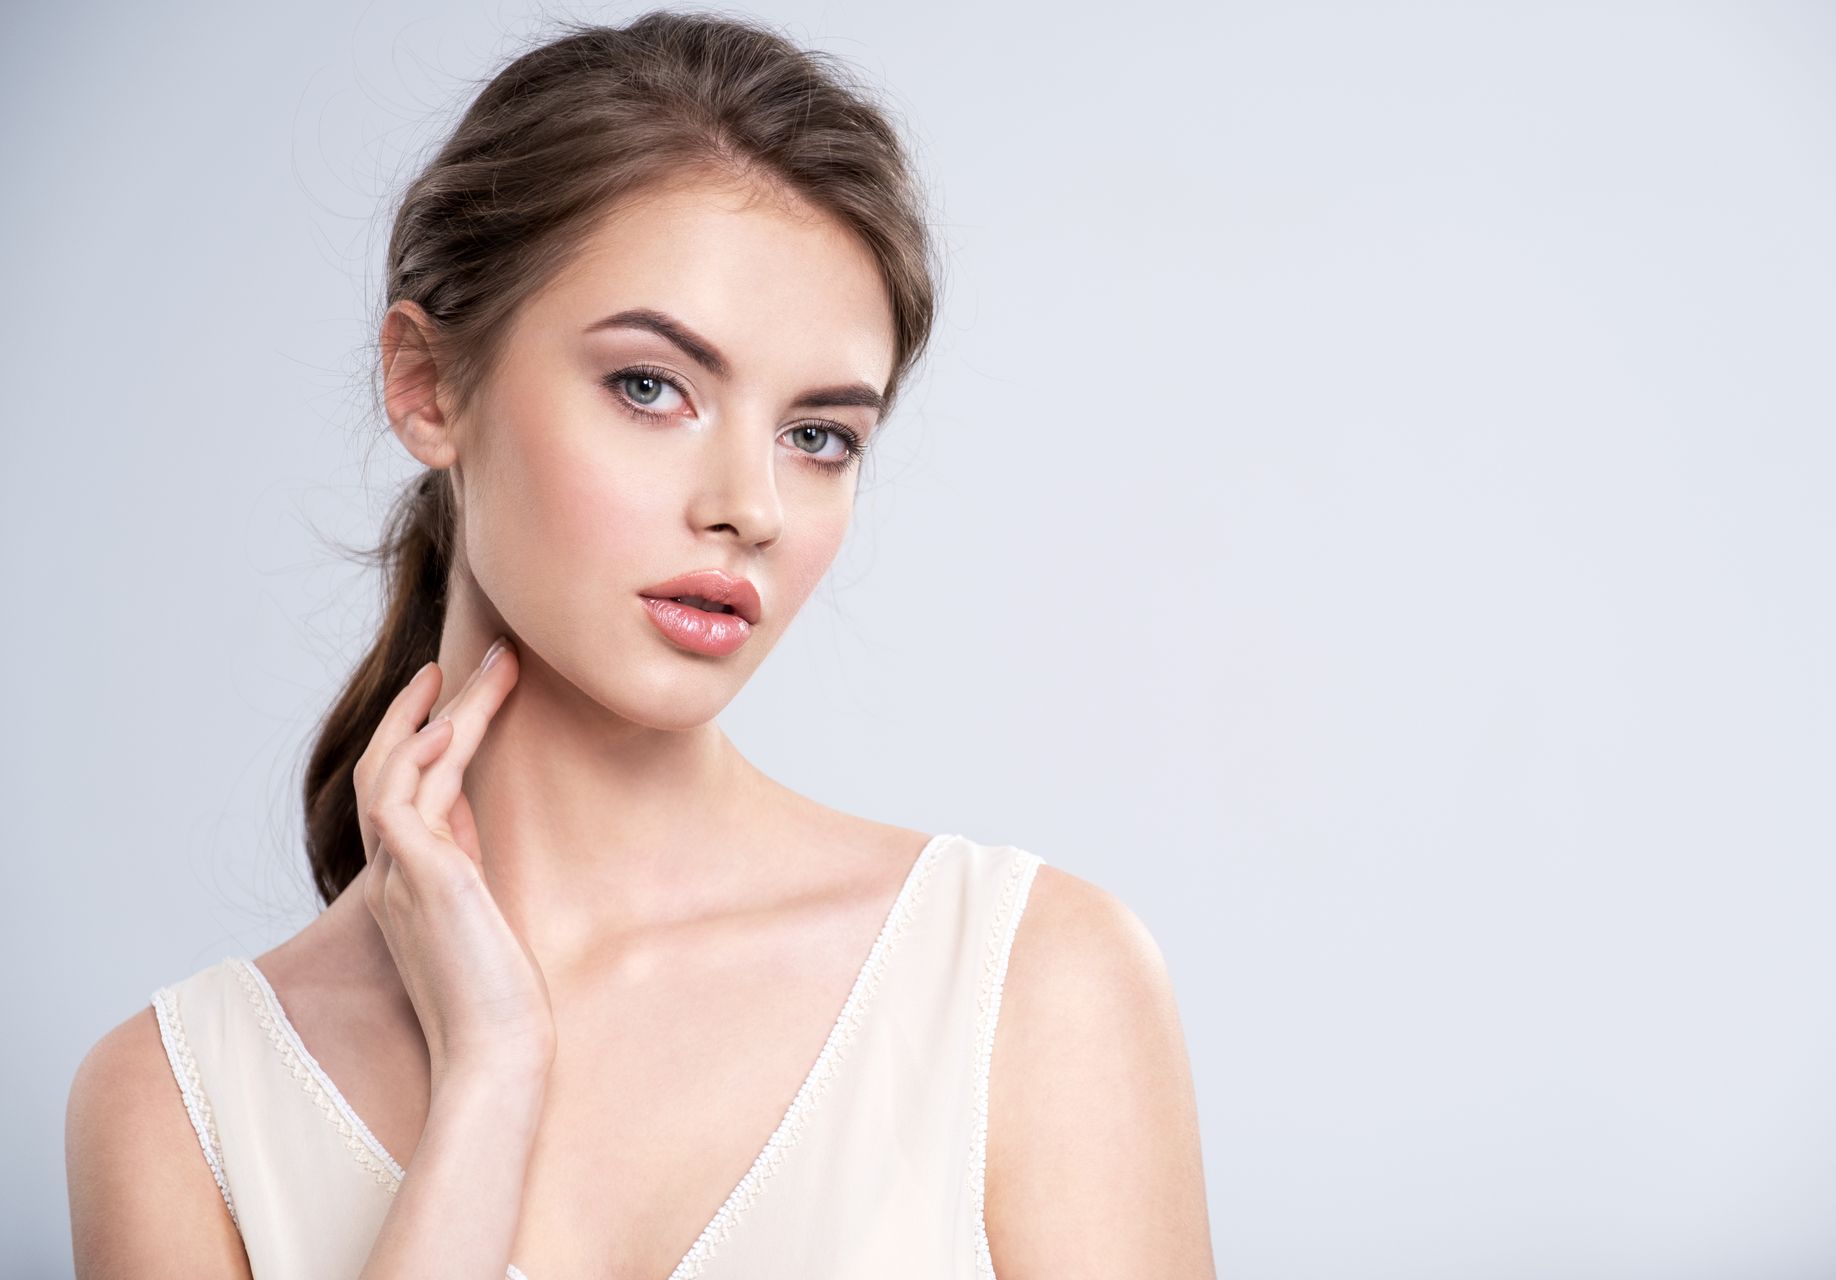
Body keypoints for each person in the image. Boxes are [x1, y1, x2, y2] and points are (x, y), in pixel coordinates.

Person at [65, 10, 1214, 1277]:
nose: (751, 505)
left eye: (818, 434)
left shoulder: (1031, 985)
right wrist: (491, 1076)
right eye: (651, 386)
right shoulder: (178, 1100)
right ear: (428, 384)